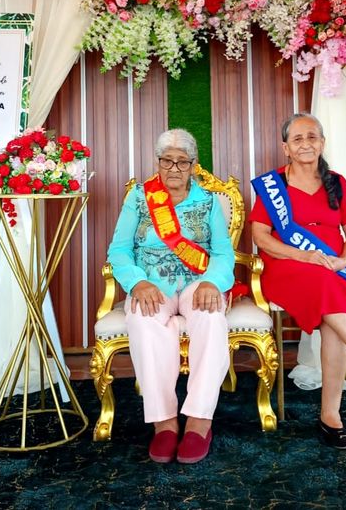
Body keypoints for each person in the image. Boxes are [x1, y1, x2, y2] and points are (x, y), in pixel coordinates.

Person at [249, 113, 346, 450]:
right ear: (286, 148)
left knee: (332, 298)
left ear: (322, 143)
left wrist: (343, 260)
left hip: (333, 267)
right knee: (331, 288)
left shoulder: (337, 182)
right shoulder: (274, 186)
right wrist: (303, 255)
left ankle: (330, 416)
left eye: (312, 137)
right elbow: (260, 236)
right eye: (297, 139)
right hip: (287, 267)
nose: (305, 144)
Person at [107, 129, 234, 464]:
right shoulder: (139, 198)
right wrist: (136, 283)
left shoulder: (208, 201)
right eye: (167, 161)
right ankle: (164, 422)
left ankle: (199, 420)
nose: (174, 168)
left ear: (193, 164)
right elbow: (119, 250)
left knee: (210, 317)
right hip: (153, 284)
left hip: (197, 283)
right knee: (142, 318)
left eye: (182, 162)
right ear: (158, 162)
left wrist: (213, 282)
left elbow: (223, 253)